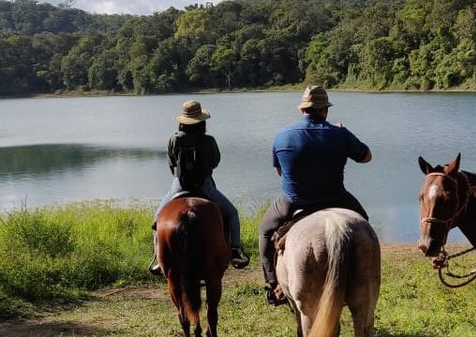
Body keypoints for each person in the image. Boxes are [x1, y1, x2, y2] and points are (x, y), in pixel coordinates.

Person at [259, 85, 372, 305]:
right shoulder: (340, 133)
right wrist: (343, 133)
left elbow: (279, 171)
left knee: (265, 231)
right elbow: (366, 157)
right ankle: (364, 276)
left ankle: (274, 284)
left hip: (294, 200)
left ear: (303, 110)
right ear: (325, 110)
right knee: (364, 224)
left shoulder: (282, 135)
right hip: (336, 198)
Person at [149, 99, 250, 274]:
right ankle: (235, 250)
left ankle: (158, 257)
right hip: (205, 186)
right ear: (202, 121)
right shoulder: (208, 140)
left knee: (159, 218)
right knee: (232, 213)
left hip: (178, 186)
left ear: (182, 121)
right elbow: (215, 161)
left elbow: (171, 164)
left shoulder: (174, 139)